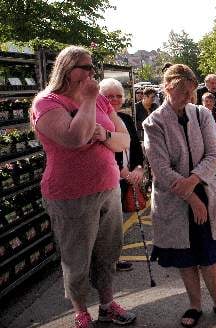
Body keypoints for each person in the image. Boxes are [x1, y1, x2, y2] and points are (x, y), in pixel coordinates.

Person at [30, 45, 135, 328]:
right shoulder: (48, 103)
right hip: (70, 194)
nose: (91, 72)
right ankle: (81, 312)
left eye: (92, 67)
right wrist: (88, 101)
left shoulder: (100, 101)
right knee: (77, 257)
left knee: (108, 251)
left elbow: (124, 141)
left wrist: (105, 134)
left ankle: (107, 304)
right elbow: (74, 138)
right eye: (84, 67)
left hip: (108, 187)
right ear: (66, 68)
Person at [143, 64, 216, 327]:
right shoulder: (153, 122)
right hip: (175, 200)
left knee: (209, 254)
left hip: (205, 191)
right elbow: (160, 168)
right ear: (168, 88)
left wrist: (194, 181)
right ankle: (194, 305)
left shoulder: (202, 115)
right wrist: (191, 198)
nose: (188, 98)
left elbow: (214, 155)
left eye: (192, 93)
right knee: (186, 256)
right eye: (183, 92)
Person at [100, 78, 146, 273]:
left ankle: (114, 258)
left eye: (119, 96)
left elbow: (135, 146)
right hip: (108, 179)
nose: (115, 100)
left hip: (127, 176)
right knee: (106, 225)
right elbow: (104, 150)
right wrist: (122, 170)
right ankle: (106, 262)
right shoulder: (99, 120)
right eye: (110, 96)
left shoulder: (126, 119)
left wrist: (138, 167)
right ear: (101, 98)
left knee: (117, 223)